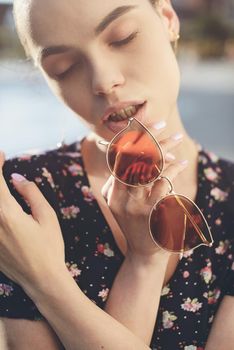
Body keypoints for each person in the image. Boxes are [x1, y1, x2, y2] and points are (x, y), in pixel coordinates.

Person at [0, 0, 233, 349]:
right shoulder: (24, 197)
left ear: (168, 18)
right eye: (63, 68)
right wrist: (144, 263)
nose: (104, 81)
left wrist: (45, 281)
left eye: (123, 38)